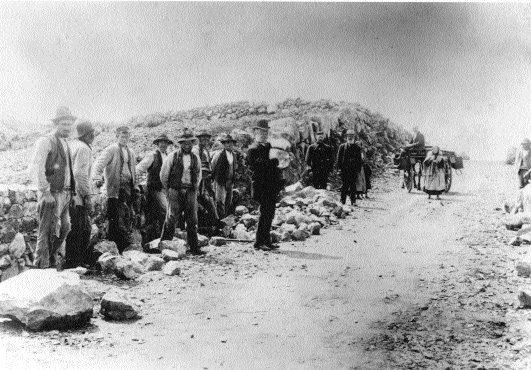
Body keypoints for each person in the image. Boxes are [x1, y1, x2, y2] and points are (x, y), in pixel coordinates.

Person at [29, 106, 76, 269]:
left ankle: (50, 258)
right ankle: (41, 264)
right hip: (51, 194)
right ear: (56, 124)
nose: (67, 127)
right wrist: (45, 192)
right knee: (46, 230)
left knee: (65, 228)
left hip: (65, 194)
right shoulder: (46, 141)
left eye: (69, 124)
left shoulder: (65, 143)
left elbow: (68, 170)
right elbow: (36, 168)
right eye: (64, 124)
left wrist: (72, 192)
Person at [92, 126, 139, 253]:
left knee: (127, 215)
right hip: (114, 188)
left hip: (127, 187)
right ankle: (118, 246)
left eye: (127, 136)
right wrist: (97, 177)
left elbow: (134, 170)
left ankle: (123, 246)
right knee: (115, 217)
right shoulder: (111, 149)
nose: (125, 139)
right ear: (117, 136)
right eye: (122, 136)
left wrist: (135, 185)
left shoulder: (131, 152)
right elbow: (98, 164)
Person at [160, 128, 205, 255]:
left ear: (192, 143)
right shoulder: (172, 156)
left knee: (192, 219)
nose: (187, 145)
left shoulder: (196, 158)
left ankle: (194, 248)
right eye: (184, 143)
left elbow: (199, 175)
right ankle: (165, 245)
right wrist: (170, 189)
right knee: (172, 217)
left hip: (190, 191)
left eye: (189, 143)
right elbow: (164, 175)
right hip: (175, 190)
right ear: (180, 144)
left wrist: (194, 188)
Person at [247, 119, 285, 251]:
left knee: (270, 213)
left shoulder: (269, 147)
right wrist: (274, 162)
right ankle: (259, 242)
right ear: (255, 132)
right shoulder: (252, 149)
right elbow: (257, 165)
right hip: (261, 187)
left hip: (271, 186)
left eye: (265, 131)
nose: (263, 134)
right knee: (264, 213)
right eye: (260, 131)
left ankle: (266, 240)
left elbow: (275, 167)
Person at [65, 120, 96, 268]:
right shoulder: (83, 148)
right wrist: (87, 195)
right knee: (81, 228)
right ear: (86, 135)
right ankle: (77, 263)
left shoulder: (72, 145)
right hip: (78, 195)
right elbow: (80, 173)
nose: (93, 136)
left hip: (69, 193)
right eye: (91, 133)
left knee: (74, 229)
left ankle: (73, 261)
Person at [136, 133, 172, 242]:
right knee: (165, 211)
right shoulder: (152, 155)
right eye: (160, 143)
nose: (163, 145)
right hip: (155, 188)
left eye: (165, 143)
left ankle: (163, 237)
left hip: (166, 189)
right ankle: (165, 238)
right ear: (157, 144)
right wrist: (134, 182)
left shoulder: (168, 156)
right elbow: (139, 168)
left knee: (169, 212)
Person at [193, 129, 223, 233]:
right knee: (201, 202)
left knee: (209, 201)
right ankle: (211, 225)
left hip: (206, 179)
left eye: (207, 138)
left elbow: (209, 165)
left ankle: (211, 225)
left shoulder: (206, 150)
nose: (205, 139)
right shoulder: (196, 150)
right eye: (203, 138)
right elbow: (195, 167)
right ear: (199, 139)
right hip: (198, 180)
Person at [211, 133, 238, 218]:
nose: (229, 144)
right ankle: (220, 219)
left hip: (230, 181)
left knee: (228, 201)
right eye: (227, 143)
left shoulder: (233, 155)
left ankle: (226, 218)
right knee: (220, 201)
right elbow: (212, 166)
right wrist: (212, 180)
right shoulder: (219, 154)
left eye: (231, 143)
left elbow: (235, 167)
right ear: (224, 144)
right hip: (220, 181)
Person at [337, 130, 363, 205]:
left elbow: (359, 160)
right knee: (344, 185)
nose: (350, 138)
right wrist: (339, 169)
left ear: (354, 137)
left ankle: (353, 201)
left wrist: (358, 169)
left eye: (351, 136)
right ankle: (342, 201)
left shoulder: (357, 147)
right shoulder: (342, 146)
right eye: (349, 136)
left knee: (353, 185)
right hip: (344, 169)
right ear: (346, 137)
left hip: (353, 170)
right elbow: (339, 158)